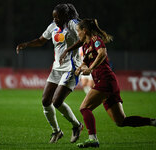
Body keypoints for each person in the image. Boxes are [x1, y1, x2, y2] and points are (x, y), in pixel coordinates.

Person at [60, 18, 156, 148]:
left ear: (85, 30)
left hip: (105, 80)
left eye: (78, 31)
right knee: (121, 121)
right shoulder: (86, 45)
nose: (78, 34)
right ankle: (152, 122)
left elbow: (102, 53)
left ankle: (92, 138)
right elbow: (86, 62)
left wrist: (90, 68)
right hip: (108, 83)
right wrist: (80, 68)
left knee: (84, 108)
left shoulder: (96, 40)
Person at [16, 3, 84, 143]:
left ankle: (77, 126)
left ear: (65, 16)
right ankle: (56, 131)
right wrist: (26, 44)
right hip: (56, 68)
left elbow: (84, 39)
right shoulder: (53, 26)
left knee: (57, 101)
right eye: (54, 17)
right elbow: (41, 41)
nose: (55, 19)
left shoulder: (72, 24)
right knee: (45, 101)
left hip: (71, 68)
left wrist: (67, 50)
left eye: (57, 17)